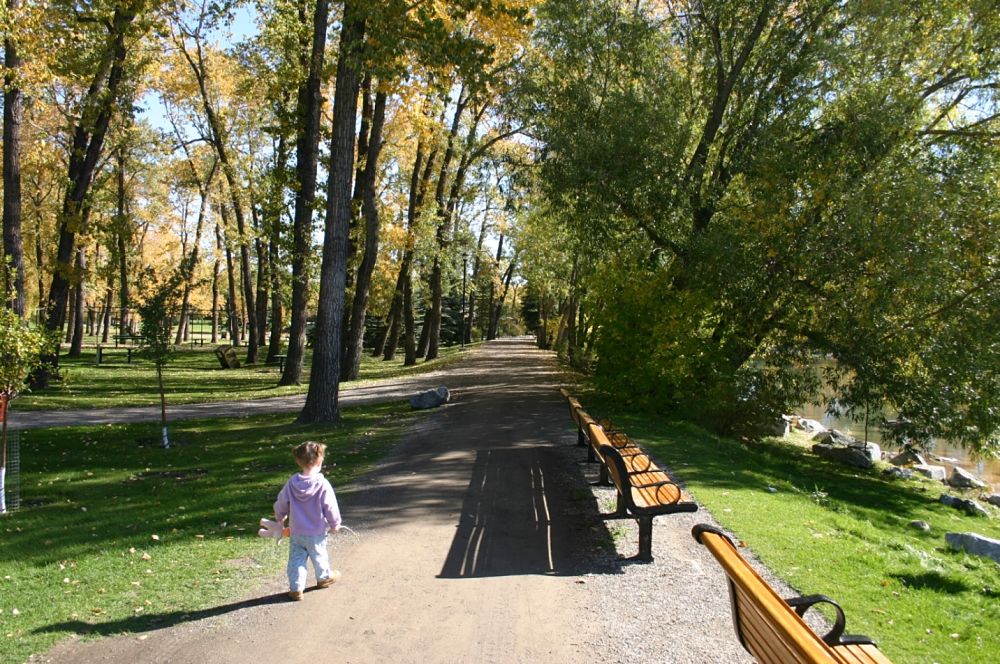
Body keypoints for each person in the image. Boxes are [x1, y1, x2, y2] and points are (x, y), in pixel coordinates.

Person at [274, 441, 342, 601]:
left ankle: (296, 588)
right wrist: (335, 523)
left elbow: (281, 502)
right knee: (319, 555)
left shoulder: (292, 483)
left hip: (296, 531)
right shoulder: (322, 484)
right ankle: (324, 577)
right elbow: (330, 506)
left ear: (299, 461)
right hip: (316, 531)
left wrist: (280, 515)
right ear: (319, 461)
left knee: (296, 559)